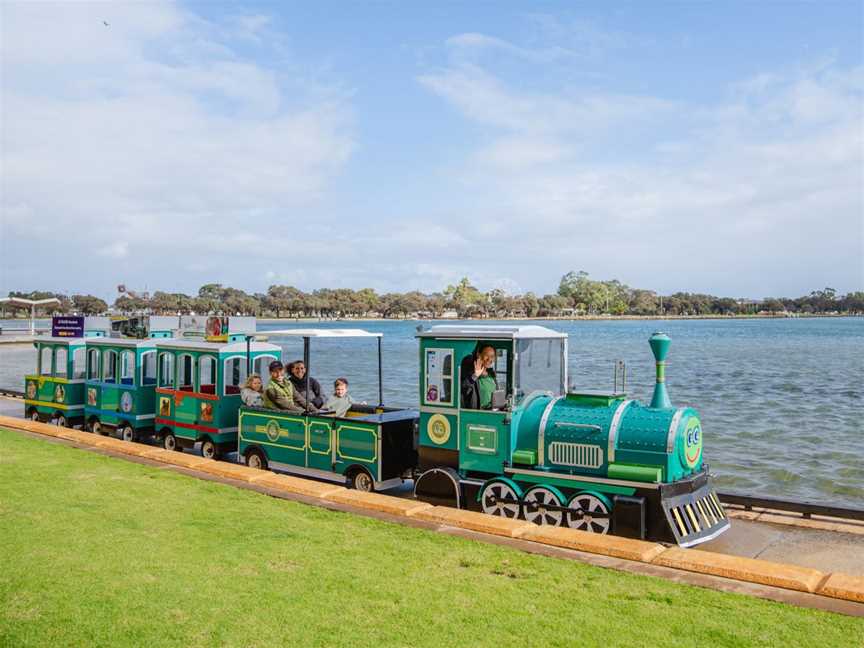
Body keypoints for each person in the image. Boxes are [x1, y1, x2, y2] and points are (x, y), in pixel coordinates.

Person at [461, 344, 497, 410]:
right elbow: (463, 389)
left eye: (492, 356)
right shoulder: (471, 374)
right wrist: (475, 375)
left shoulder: (492, 375)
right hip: (479, 414)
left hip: (492, 412)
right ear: (479, 355)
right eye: (486, 355)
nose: (489, 359)